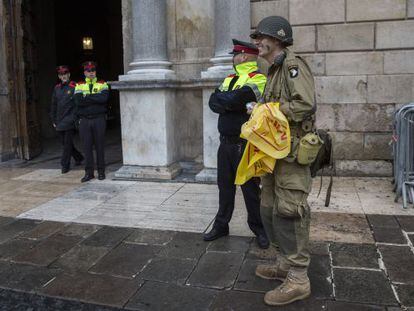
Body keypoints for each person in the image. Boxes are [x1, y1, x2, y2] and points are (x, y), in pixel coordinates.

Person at [250, 16, 316, 305]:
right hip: (274, 152)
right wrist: (262, 109)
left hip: (291, 154)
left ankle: (299, 279)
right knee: (268, 208)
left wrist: (271, 110)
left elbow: (305, 104)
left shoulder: (292, 66)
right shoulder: (273, 69)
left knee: (290, 211)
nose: (255, 42)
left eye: (259, 37)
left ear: (276, 39)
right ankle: (284, 263)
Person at [203, 39, 269, 249]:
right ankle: (221, 225)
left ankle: (259, 229)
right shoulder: (229, 79)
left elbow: (235, 99)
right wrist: (230, 103)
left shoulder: (258, 78)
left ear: (243, 57)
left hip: (245, 144)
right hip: (225, 144)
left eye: (235, 55)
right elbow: (213, 102)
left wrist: (228, 102)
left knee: (251, 190)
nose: (233, 58)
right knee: (224, 187)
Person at [74, 61, 109, 182]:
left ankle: (101, 172)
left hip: (99, 119)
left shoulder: (102, 83)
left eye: (93, 70)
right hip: (84, 120)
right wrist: (94, 98)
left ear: (96, 71)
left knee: (100, 146)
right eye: (88, 71)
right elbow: (78, 101)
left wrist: (86, 97)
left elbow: (103, 99)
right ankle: (89, 173)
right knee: (87, 147)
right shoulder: (79, 84)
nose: (91, 73)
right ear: (84, 72)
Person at [50, 65, 84, 174]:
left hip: (70, 120)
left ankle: (65, 165)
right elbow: (54, 105)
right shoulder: (57, 88)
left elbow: (78, 104)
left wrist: (75, 118)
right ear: (59, 76)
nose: (63, 76)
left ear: (69, 74)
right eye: (61, 74)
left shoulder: (74, 86)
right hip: (59, 120)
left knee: (67, 144)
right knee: (65, 143)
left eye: (65, 74)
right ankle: (78, 157)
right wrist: (53, 120)